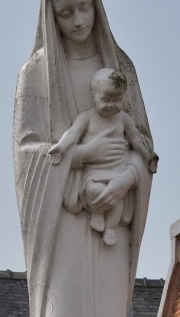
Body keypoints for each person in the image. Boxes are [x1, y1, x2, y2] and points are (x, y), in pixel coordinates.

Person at [13, 0, 155, 317]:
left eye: (84, 8)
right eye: (64, 12)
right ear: (51, 17)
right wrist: (78, 159)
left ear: (98, 7)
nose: (76, 20)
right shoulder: (36, 74)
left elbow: (145, 149)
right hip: (64, 223)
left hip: (111, 225)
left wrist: (125, 180)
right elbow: (29, 152)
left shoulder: (122, 71)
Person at [48, 67, 158, 246]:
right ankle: (97, 213)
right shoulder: (87, 117)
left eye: (117, 100)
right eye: (106, 99)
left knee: (116, 202)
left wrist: (149, 155)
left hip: (117, 170)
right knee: (94, 191)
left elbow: (136, 138)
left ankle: (111, 228)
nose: (111, 105)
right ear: (93, 96)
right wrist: (61, 147)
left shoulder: (123, 119)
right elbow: (73, 133)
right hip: (95, 172)